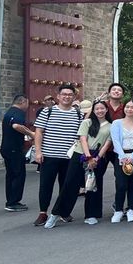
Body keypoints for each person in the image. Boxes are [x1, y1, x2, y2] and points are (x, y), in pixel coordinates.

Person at [45, 100, 114, 227]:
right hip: (81, 154)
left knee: (93, 186)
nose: (100, 111)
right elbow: (83, 139)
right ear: (93, 110)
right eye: (97, 109)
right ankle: (56, 213)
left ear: (106, 110)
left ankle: (91, 214)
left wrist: (97, 158)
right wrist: (88, 157)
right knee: (70, 184)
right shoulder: (86, 122)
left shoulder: (111, 126)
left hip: (97, 156)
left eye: (102, 108)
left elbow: (107, 144)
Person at [32, 84, 83, 226]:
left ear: (74, 97)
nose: (67, 97)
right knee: (46, 185)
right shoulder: (47, 112)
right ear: (58, 96)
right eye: (64, 94)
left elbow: (81, 135)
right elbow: (39, 132)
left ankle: (63, 212)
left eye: (70, 95)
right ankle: (43, 212)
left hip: (69, 157)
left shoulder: (78, 114)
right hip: (49, 155)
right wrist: (38, 151)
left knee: (66, 185)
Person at [0, 94, 33, 211]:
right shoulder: (18, 112)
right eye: (27, 103)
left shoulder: (10, 112)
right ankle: (13, 202)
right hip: (14, 149)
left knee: (11, 175)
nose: (27, 106)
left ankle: (10, 200)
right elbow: (16, 126)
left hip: (7, 148)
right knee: (18, 174)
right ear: (22, 102)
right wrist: (31, 134)